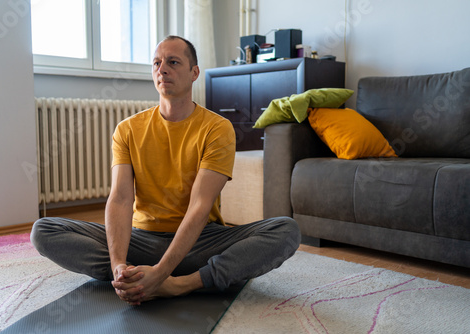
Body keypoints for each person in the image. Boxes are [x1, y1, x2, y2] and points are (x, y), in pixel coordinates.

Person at [31, 35, 300, 306]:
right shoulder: (127, 130)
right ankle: (138, 277)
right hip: (141, 239)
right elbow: (121, 199)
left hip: (201, 240)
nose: (162, 69)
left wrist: (162, 274)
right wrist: (118, 266)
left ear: (194, 72)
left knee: (286, 231)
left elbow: (200, 205)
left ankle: (181, 284)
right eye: (157, 63)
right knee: (44, 230)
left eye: (173, 62)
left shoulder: (217, 128)